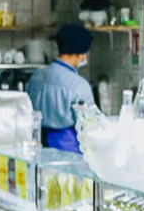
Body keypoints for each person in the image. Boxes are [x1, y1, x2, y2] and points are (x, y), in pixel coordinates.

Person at [25, 24, 96, 153]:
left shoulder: (35, 78)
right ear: (81, 54)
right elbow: (91, 126)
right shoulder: (79, 86)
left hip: (37, 148)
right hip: (69, 153)